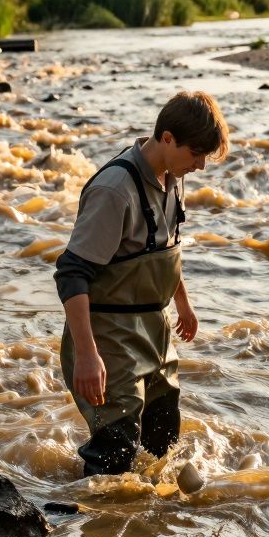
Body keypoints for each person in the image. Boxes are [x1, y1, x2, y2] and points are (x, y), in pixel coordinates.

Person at [54, 91, 230, 477]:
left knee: (162, 441)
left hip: (155, 329)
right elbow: (71, 273)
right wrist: (86, 354)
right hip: (108, 336)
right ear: (167, 138)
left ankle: (151, 531)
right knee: (114, 452)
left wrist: (183, 303)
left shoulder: (173, 176)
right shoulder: (114, 190)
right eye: (196, 154)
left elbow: (164, 248)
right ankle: (86, 525)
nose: (200, 166)